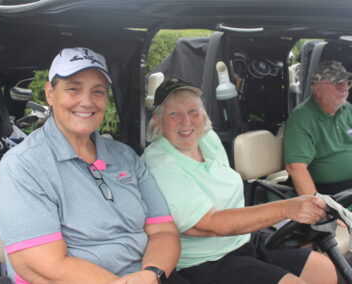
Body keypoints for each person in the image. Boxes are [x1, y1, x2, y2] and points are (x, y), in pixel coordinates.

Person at [0, 47, 187, 284]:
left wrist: (153, 274)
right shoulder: (24, 165)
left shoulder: (125, 156)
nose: (87, 101)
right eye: (73, 88)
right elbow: (44, 265)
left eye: (98, 91)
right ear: (50, 93)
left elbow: (163, 231)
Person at [142, 78, 337, 284]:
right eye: (174, 114)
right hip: (206, 262)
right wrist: (288, 208)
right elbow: (210, 224)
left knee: (322, 269)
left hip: (243, 239)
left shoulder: (207, 139)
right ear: (157, 119)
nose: (186, 121)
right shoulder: (160, 163)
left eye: (193, 111)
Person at [284, 60, 352, 196]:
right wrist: (317, 205)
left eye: (347, 83)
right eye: (338, 84)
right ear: (317, 89)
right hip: (332, 192)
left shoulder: (347, 109)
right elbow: (296, 168)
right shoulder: (302, 117)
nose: (344, 89)